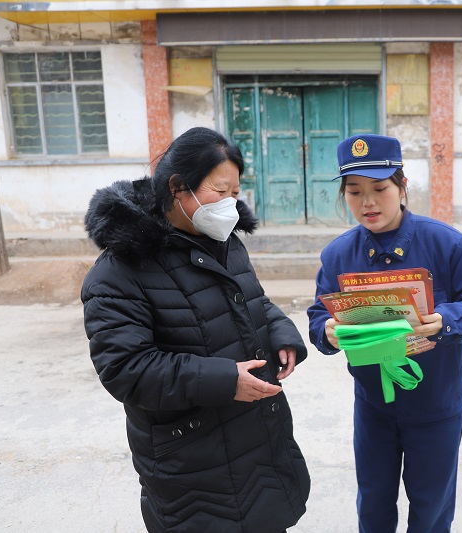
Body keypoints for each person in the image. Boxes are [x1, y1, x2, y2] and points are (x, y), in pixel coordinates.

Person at [81, 127, 310, 533]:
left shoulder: (225, 242)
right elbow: (126, 369)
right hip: (192, 462)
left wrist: (281, 333)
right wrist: (224, 380)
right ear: (178, 187)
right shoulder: (120, 271)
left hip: (258, 444)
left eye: (235, 192)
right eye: (220, 191)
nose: (231, 204)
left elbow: (253, 300)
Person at [307, 134, 462, 532]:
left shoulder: (447, 244)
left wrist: (446, 319)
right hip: (373, 406)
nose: (368, 202)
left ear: (402, 186)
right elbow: (317, 315)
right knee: (373, 502)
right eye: (354, 192)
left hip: (436, 404)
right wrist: (326, 331)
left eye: (379, 189)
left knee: (431, 508)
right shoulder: (338, 255)